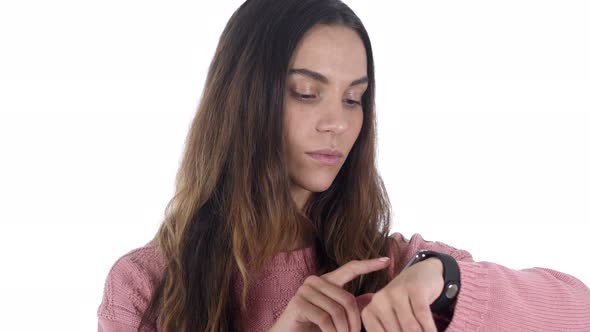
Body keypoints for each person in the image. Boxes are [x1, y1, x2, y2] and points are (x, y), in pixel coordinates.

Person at [96, 0, 590, 331]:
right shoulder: (144, 287)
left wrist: (446, 280)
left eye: (354, 99)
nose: (337, 123)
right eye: (307, 94)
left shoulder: (390, 271)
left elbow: (577, 310)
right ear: (243, 100)